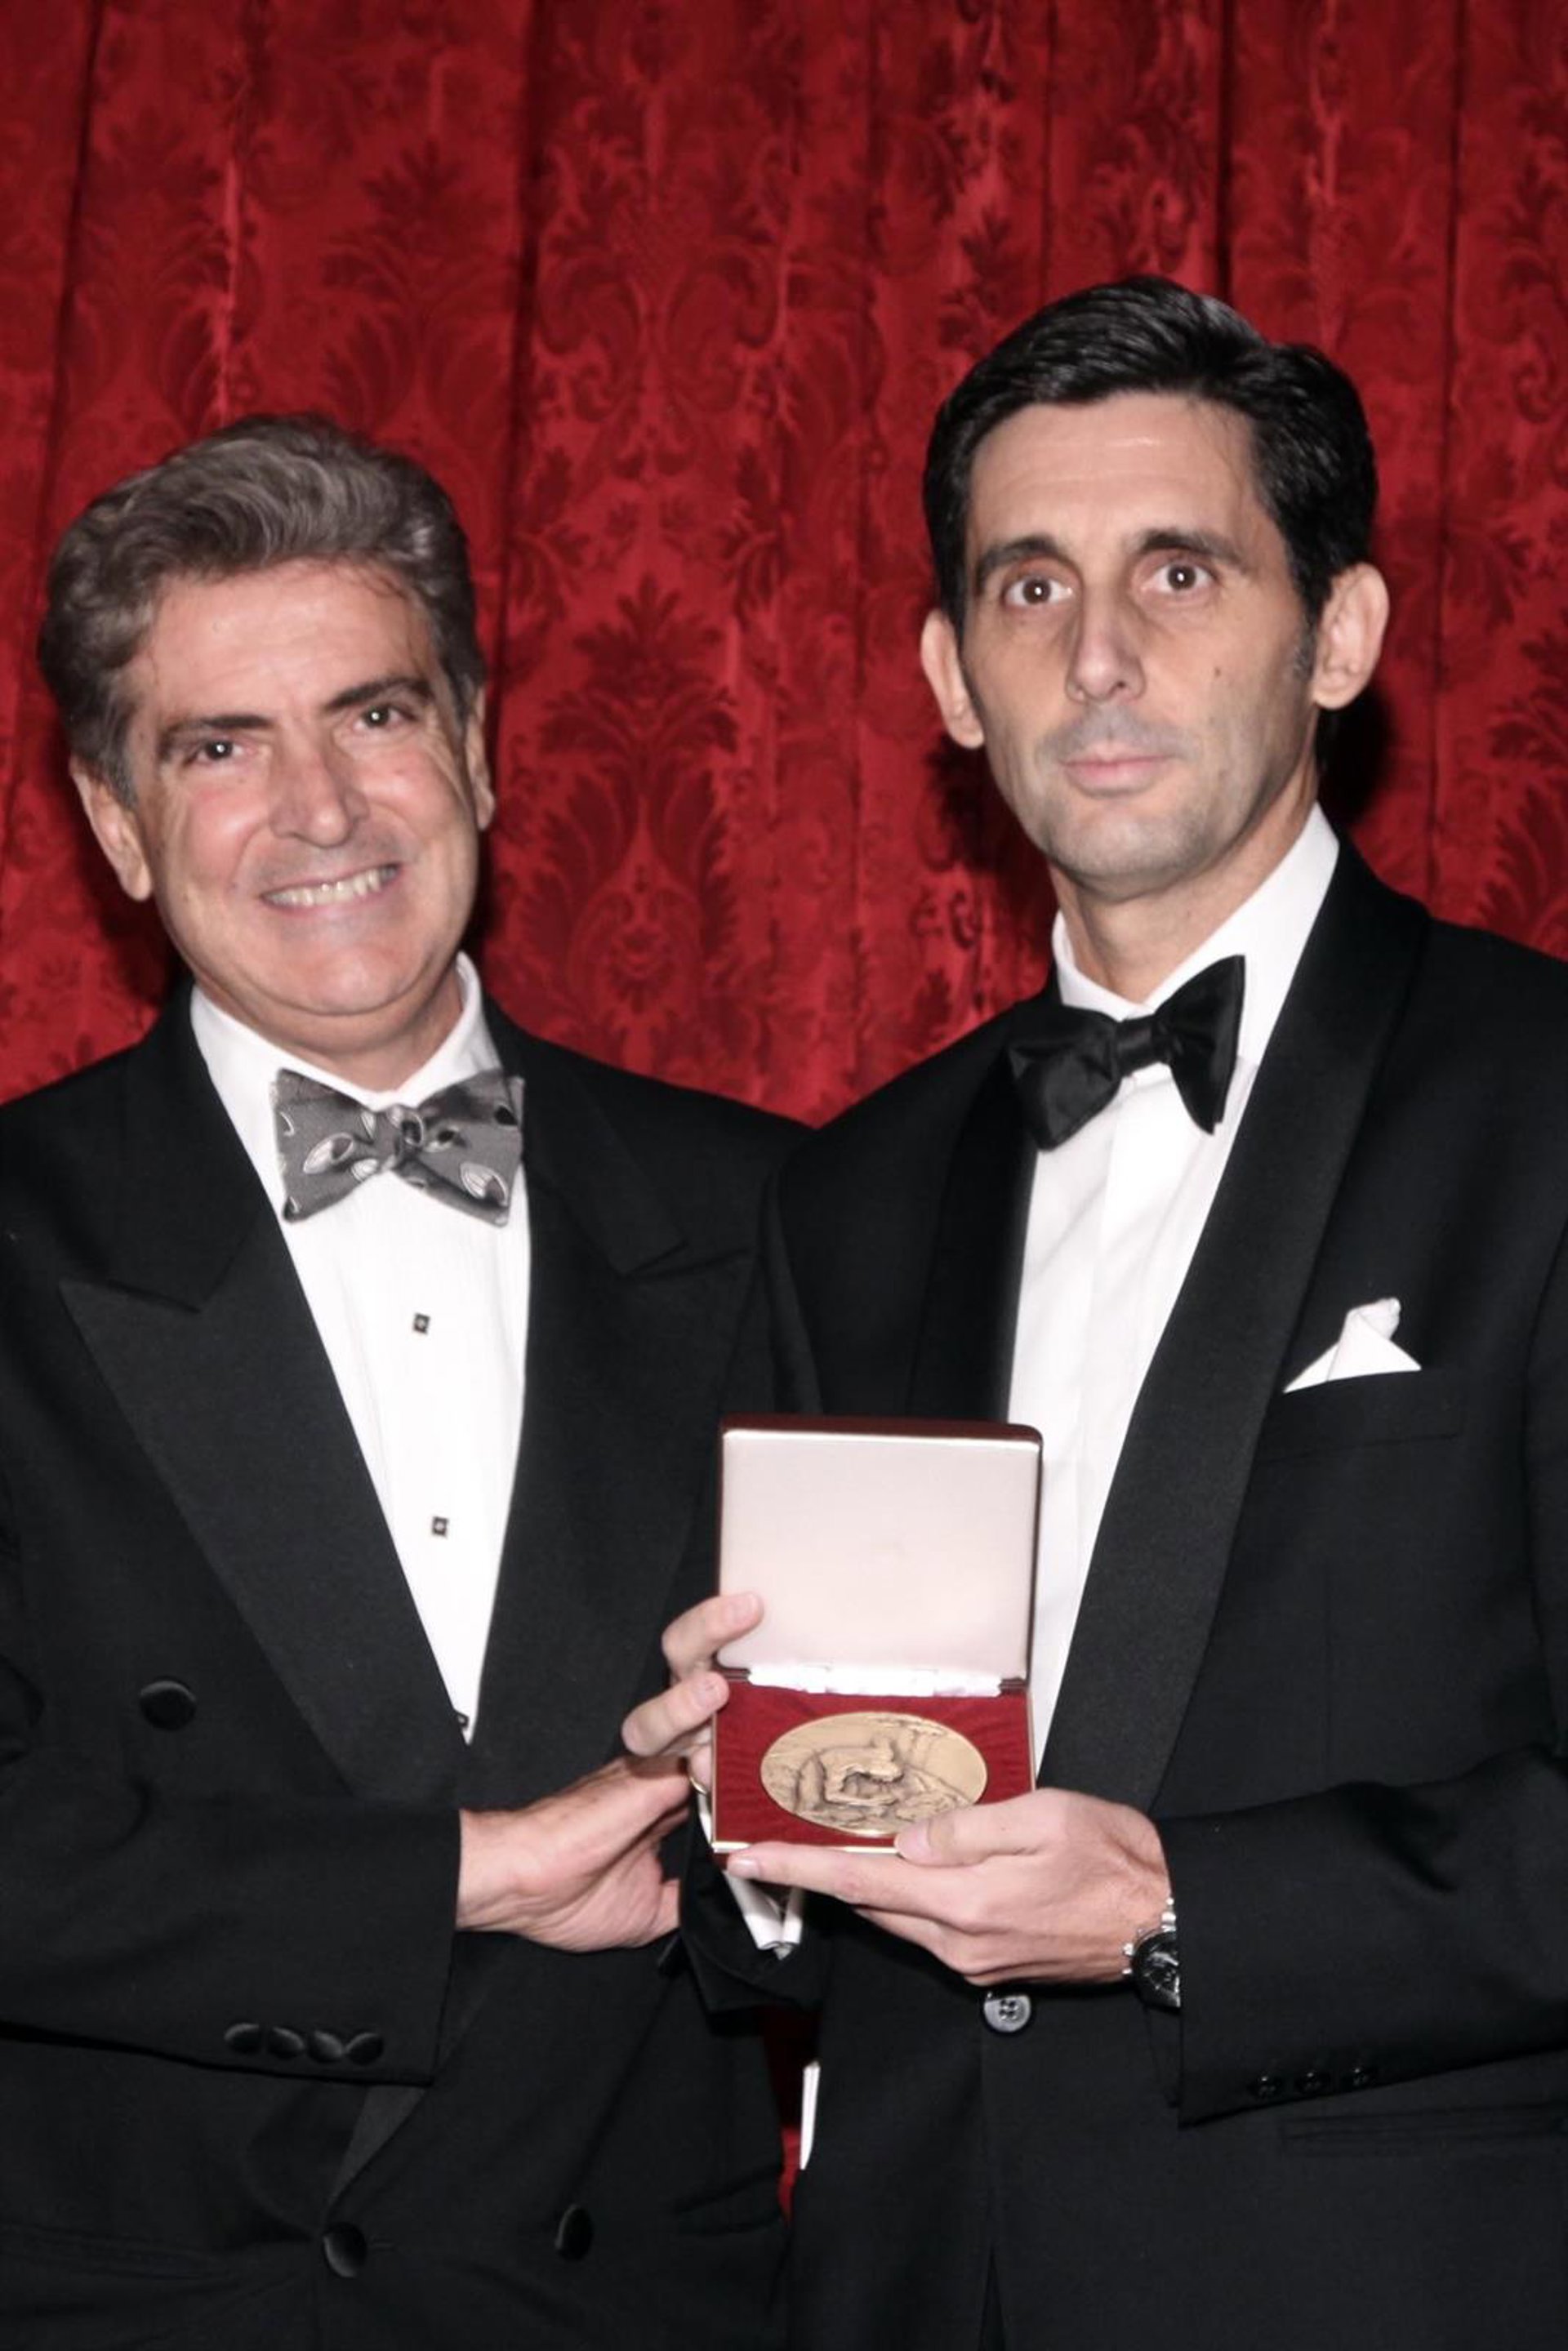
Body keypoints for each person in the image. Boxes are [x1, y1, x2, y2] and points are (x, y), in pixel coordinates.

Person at [629, 277, 1568, 2351]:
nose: (1101, 654)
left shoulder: (1542, 1105)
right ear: (951, 678)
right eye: (1032, 586)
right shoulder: (851, 1193)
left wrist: (1178, 1910)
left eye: (1180, 570)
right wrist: (744, 1813)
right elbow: (770, 1912)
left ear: (1342, 635)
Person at [0, 415, 795, 2349]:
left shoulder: (791, 1212)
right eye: (221, 748)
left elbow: (926, 1800)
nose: (323, 809)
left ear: (480, 749)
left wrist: (763, 1845)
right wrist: (465, 1875)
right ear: (116, 823)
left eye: (373, 714)